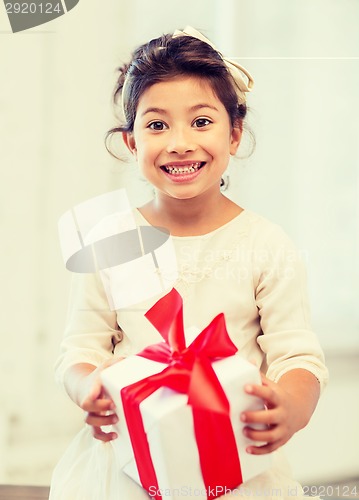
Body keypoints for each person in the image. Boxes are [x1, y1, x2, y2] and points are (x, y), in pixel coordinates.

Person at [49, 26, 328, 499]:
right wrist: (87, 387)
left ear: (235, 133)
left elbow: (297, 357)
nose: (179, 143)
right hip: (128, 464)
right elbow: (79, 350)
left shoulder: (265, 244)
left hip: (233, 461)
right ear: (132, 144)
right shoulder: (112, 240)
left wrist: (291, 405)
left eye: (201, 122)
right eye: (157, 125)